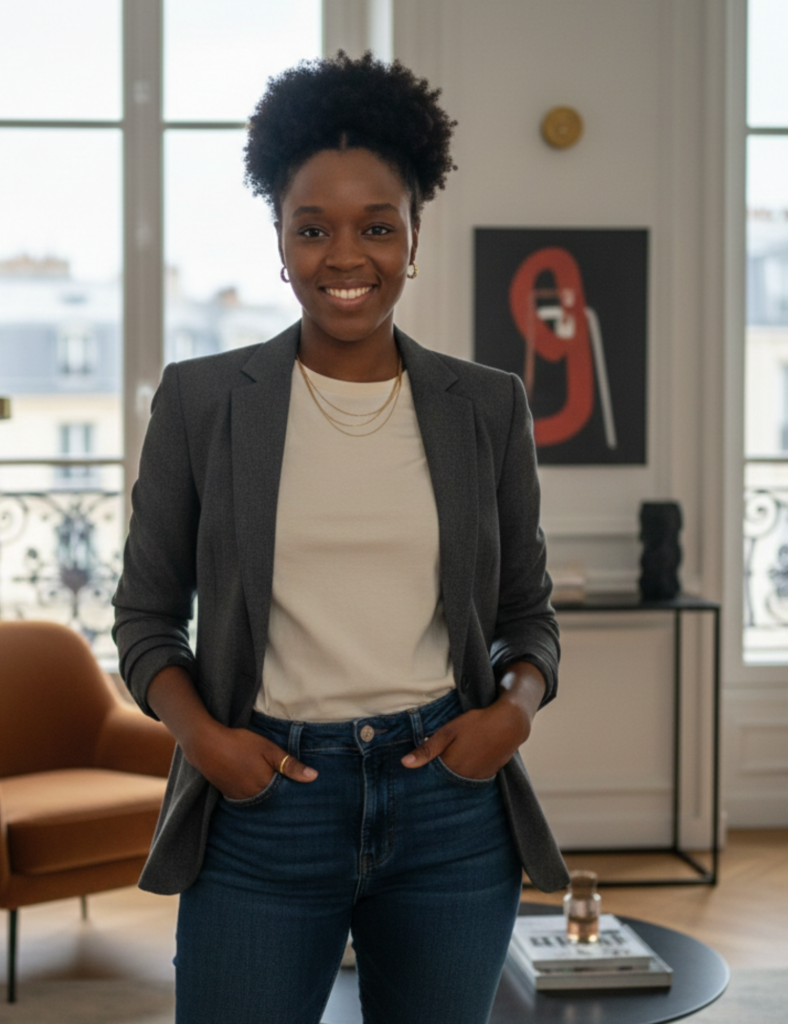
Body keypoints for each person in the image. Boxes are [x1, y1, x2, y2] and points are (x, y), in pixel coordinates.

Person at [113, 51, 568, 1024]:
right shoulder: (202, 402)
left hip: (448, 801)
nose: (344, 256)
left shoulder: (485, 406)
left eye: (377, 226)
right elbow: (146, 620)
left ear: (414, 237)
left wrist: (512, 712)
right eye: (312, 228)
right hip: (264, 803)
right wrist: (208, 743)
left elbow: (526, 616)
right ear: (279, 242)